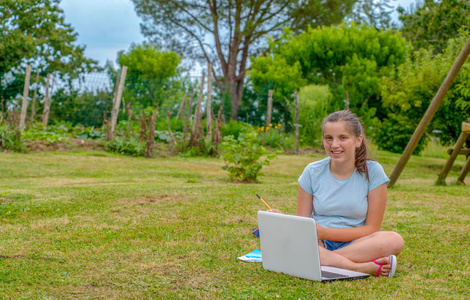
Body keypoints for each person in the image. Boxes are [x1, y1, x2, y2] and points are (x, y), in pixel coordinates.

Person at [270, 110, 404, 277]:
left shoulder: (373, 172)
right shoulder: (312, 172)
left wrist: (324, 232)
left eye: (342, 138)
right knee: (299, 241)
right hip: (319, 243)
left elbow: (371, 228)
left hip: (357, 243)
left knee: (394, 240)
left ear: (358, 140)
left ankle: (320, 261)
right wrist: (280, 221)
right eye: (329, 138)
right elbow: (302, 223)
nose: (334, 145)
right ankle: (360, 268)